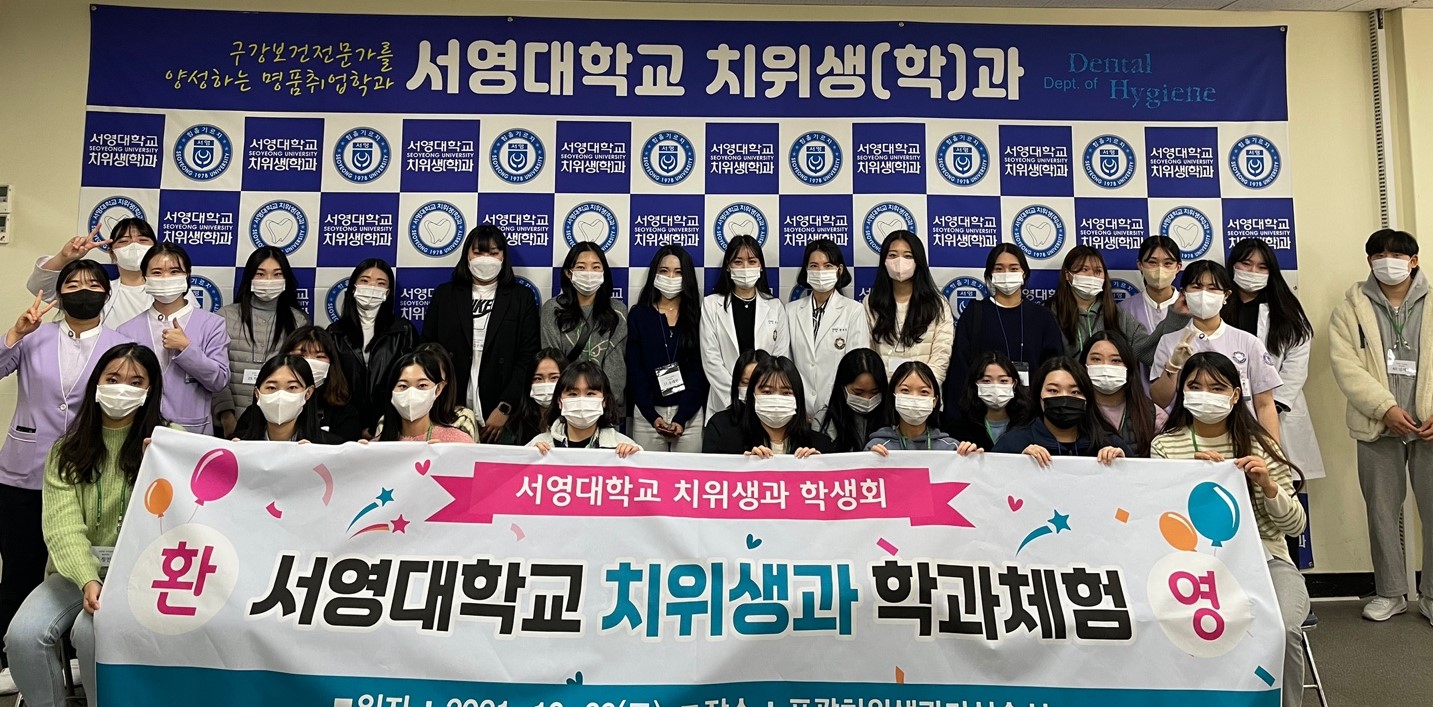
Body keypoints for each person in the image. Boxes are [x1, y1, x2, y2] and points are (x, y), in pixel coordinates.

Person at [5, 343, 168, 707]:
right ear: (96, 384)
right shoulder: (66, 450)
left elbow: (193, 500)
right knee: (23, 636)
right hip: (73, 572)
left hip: (139, 574)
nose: (122, 388)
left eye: (136, 382)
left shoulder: (166, 442)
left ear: (150, 391)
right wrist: (87, 578)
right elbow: (62, 527)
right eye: (113, 378)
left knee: (91, 632)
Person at [1150, 351, 1308, 707]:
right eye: (1195, 387)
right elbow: (1160, 522)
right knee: (1167, 625)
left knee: (1282, 628)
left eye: (1217, 387)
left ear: (1235, 395)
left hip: (1266, 560)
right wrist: (1186, 480)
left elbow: (1296, 525)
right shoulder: (1165, 446)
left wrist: (1268, 487)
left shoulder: (1262, 444)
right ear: (1182, 392)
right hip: (1192, 567)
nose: (1205, 394)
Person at [0, 260, 129, 675]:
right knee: (21, 566)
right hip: (24, 469)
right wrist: (15, 334)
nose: (82, 290)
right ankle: (12, 661)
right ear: (59, 294)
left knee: (76, 565)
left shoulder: (120, 346)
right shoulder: (34, 335)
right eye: (72, 284)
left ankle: (74, 657)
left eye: (92, 283)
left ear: (106, 294)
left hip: (88, 470)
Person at [1329, 228, 1433, 621]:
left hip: (1428, 428)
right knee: (1381, 512)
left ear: (1414, 261)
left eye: (1397, 255)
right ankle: (1391, 592)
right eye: (1379, 255)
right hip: (1378, 427)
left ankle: (1432, 595)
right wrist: (1384, 407)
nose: (1388, 262)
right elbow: (1346, 367)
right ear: (1369, 261)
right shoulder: (1350, 309)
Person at [422, 224, 540, 442]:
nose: (486, 259)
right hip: (449, 407)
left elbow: (527, 357)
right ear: (467, 255)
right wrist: (442, 401)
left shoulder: (521, 297)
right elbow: (427, 351)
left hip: (501, 411)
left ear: (503, 257)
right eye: (478, 252)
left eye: (493, 253)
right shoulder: (445, 295)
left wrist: (505, 407)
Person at [1150, 260, 1283, 443]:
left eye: (1212, 288)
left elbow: (1265, 404)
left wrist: (1273, 451)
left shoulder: (1249, 342)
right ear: (1184, 293)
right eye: (1196, 287)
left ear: (1226, 295)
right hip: (1187, 440)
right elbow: (1160, 400)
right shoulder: (1169, 341)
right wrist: (1173, 366)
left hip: (1241, 438)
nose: (1204, 294)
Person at [1227, 238, 1323, 480]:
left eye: (1262, 267)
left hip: (1275, 409)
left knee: (1277, 483)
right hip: (1227, 407)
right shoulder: (1219, 305)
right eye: (1246, 264)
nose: (1253, 272)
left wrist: (1274, 404)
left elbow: (1296, 364)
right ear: (1233, 265)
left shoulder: (1285, 308)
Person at [116, 244, 230, 435]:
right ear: (144, 277)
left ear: (187, 275)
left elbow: (219, 381)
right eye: (157, 272)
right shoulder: (127, 330)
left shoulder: (212, 324)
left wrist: (187, 349)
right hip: (140, 430)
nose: (165, 278)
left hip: (192, 432)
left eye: (174, 271)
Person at [214, 247, 309, 436]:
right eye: (261, 274)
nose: (268, 280)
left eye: (277, 274)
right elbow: (215, 371)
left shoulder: (298, 321)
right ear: (250, 277)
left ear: (286, 279)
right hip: (232, 422)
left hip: (279, 424)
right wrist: (226, 416)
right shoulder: (225, 316)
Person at [950, 243, 1063, 391]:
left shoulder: (1042, 317)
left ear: (1024, 273)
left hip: (1030, 402)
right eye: (999, 269)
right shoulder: (974, 313)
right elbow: (960, 367)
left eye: (1014, 268)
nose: (1006, 273)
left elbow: (1054, 367)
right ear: (990, 274)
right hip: (983, 401)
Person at [627, 246, 708, 452]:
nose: (671, 277)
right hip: (647, 416)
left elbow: (699, 371)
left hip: (689, 416)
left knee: (687, 472)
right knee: (647, 472)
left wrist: (682, 417)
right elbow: (635, 370)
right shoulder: (639, 315)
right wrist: (652, 416)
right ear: (655, 274)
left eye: (678, 272)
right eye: (664, 271)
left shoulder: (698, 316)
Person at [700, 235, 789, 415]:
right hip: (724, 402)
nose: (745, 268)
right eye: (738, 262)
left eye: (752, 261)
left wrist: (763, 392)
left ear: (761, 266)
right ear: (728, 266)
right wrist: (734, 397)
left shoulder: (775, 306)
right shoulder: (711, 305)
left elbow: (780, 356)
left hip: (766, 401)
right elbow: (711, 359)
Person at [328, 258, 417, 436]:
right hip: (344, 424)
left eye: (381, 283)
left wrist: (380, 422)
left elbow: (409, 380)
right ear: (353, 287)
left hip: (389, 422)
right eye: (365, 280)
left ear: (388, 292)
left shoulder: (403, 330)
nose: (372, 287)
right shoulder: (334, 332)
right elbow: (332, 384)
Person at [787, 239, 870, 423]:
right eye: (814, 266)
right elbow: (786, 363)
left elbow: (856, 367)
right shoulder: (791, 311)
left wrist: (836, 407)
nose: (820, 271)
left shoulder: (853, 310)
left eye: (827, 265)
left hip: (838, 410)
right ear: (806, 271)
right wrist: (796, 406)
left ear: (839, 270)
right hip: (798, 411)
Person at [993, 357, 1130, 464]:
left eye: (1075, 392)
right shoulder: (1013, 443)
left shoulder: (1110, 443)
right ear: (1038, 395)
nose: (1064, 398)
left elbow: (1137, 485)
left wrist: (1123, 466)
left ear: (1087, 398)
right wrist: (1017, 463)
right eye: (1053, 390)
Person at [235, 327, 361, 442]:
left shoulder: (344, 416)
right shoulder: (255, 414)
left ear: (308, 393)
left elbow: (344, 453)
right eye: (300, 355)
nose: (309, 362)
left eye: (319, 356)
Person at [541, 243, 628, 405]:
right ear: (568, 272)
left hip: (604, 405)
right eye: (581, 267)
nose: (589, 273)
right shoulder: (552, 309)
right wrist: (567, 401)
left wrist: (602, 404)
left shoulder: (618, 311)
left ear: (604, 272)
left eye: (596, 267)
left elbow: (616, 369)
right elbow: (552, 362)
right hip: (565, 402)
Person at [26, 217, 157, 326]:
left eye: (143, 240)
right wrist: (63, 257)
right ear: (112, 252)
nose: (134, 246)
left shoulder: (165, 289)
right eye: (124, 241)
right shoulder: (95, 291)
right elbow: (39, 288)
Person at [866, 230, 954, 383]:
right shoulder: (871, 302)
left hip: (925, 390)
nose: (899, 262)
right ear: (884, 261)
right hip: (883, 391)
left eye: (908, 256)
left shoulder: (938, 304)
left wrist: (922, 386)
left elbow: (942, 353)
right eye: (892, 255)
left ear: (918, 261)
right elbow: (868, 351)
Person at [708, 356, 833, 457]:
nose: (776, 399)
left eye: (786, 393)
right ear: (752, 396)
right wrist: (744, 466)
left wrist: (817, 467)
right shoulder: (730, 443)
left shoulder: (821, 445)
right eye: (767, 392)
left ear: (798, 397)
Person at [1049, 246, 1152, 362]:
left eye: (1097, 271)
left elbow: (1147, 353)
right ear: (1067, 275)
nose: (1091, 276)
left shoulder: (1118, 315)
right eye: (1084, 269)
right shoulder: (1050, 314)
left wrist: (1167, 323)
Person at [867, 361, 980, 455]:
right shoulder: (878, 447)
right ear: (893, 396)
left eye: (924, 392)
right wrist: (870, 461)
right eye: (905, 390)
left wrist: (973, 460)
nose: (914, 398)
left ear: (935, 401)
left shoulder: (951, 448)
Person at [1082, 331, 1165, 457]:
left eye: (1115, 360)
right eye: (1096, 359)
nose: (1106, 367)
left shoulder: (1152, 413)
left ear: (1128, 366)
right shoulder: (1075, 410)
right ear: (1084, 364)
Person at [530, 361, 641, 455]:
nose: (581, 400)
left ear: (604, 401)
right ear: (559, 401)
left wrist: (635, 458)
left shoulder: (623, 446)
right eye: (573, 394)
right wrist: (530, 458)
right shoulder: (538, 445)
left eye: (590, 394)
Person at [233, 355, 342, 444]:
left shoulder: (331, 448)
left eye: (292, 387)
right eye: (271, 387)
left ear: (307, 393)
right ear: (257, 394)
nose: (281, 396)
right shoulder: (238, 444)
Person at [375, 348, 474, 443]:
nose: (412, 394)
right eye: (403, 386)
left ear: (438, 389)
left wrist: (443, 453)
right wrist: (366, 452)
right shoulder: (377, 446)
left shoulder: (459, 442)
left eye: (422, 385)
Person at [948, 351, 1034, 451]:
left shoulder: (1029, 425)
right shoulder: (959, 429)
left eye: (1003, 381)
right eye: (986, 381)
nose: (995, 387)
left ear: (1014, 384)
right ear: (975, 385)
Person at [818, 348, 892, 453]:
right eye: (858, 393)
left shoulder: (892, 418)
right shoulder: (824, 420)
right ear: (842, 388)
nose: (867, 399)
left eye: (874, 392)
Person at [702, 350, 772, 454]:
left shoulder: (785, 423)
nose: (752, 390)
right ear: (737, 384)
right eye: (746, 383)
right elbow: (709, 462)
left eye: (760, 384)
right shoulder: (719, 424)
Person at [497, 348, 568, 446]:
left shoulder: (574, 426)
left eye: (554, 378)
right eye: (538, 378)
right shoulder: (514, 427)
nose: (546, 384)